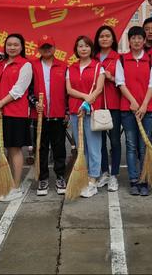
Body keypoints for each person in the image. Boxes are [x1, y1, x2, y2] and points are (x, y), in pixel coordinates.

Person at [0, 33, 33, 202]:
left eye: (16, 44)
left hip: (16, 113)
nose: (12, 47)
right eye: (9, 45)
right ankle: (6, 181)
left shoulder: (25, 65)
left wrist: (0, 103)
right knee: (5, 148)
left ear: (22, 47)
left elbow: (18, 89)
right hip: (0, 112)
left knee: (15, 148)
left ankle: (16, 185)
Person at [115, 26, 152, 196]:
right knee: (131, 146)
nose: (137, 41)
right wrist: (133, 102)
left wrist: (144, 104)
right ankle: (134, 180)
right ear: (129, 40)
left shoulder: (151, 60)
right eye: (133, 38)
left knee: (145, 146)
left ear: (144, 40)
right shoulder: (122, 60)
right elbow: (120, 82)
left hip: (148, 110)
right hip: (128, 109)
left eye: (140, 38)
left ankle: (144, 179)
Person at [66, 35, 105, 198]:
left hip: (92, 111)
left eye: (86, 46)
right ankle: (85, 175)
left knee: (94, 147)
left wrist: (88, 102)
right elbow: (69, 90)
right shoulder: (71, 67)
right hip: (76, 112)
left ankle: (93, 180)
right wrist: (84, 97)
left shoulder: (98, 67)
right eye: (80, 46)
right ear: (76, 49)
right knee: (82, 147)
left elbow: (99, 88)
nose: (83, 49)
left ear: (91, 48)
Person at [30, 35, 67, 196]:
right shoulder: (32, 66)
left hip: (58, 114)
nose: (47, 49)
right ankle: (43, 178)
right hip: (39, 115)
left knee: (59, 148)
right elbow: (28, 90)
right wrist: (34, 103)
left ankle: (60, 176)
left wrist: (66, 111)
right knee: (41, 147)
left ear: (54, 48)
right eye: (43, 47)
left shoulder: (63, 66)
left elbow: (67, 92)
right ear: (39, 49)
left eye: (49, 46)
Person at [94, 25, 121, 192]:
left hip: (114, 104)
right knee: (100, 141)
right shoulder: (93, 58)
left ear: (113, 39)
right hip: (97, 105)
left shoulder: (118, 58)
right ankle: (104, 172)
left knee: (116, 141)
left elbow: (124, 81)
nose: (104, 39)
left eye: (107, 36)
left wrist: (111, 78)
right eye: (101, 36)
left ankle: (114, 175)